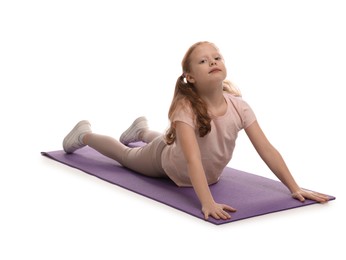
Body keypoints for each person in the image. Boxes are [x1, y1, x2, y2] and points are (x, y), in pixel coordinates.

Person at [63, 41, 329, 221]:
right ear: (190, 77)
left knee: (173, 139)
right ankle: (84, 135)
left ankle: (141, 130)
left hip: (179, 152)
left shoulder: (240, 107)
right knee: (126, 156)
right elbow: (191, 159)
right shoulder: (185, 109)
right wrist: (207, 202)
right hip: (167, 164)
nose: (212, 61)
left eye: (216, 57)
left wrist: (295, 187)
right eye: (203, 61)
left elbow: (267, 149)